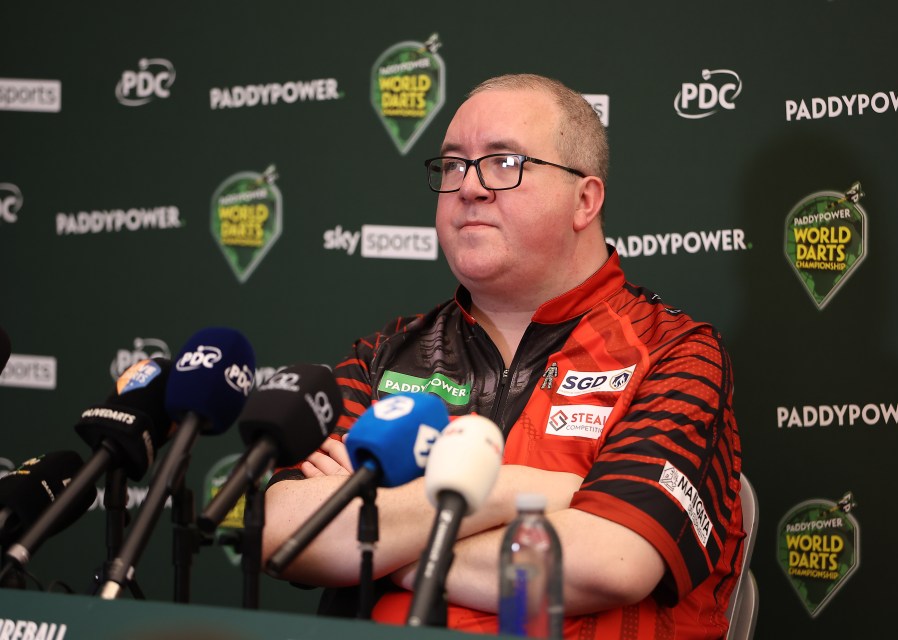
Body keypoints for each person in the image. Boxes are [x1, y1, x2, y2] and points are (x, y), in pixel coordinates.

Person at [262, 73, 744, 640]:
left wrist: (384, 545)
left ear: (584, 200)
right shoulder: (384, 355)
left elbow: (611, 562)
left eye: (504, 163)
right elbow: (283, 532)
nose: (469, 187)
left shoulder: (675, 351)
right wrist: (511, 491)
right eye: (453, 165)